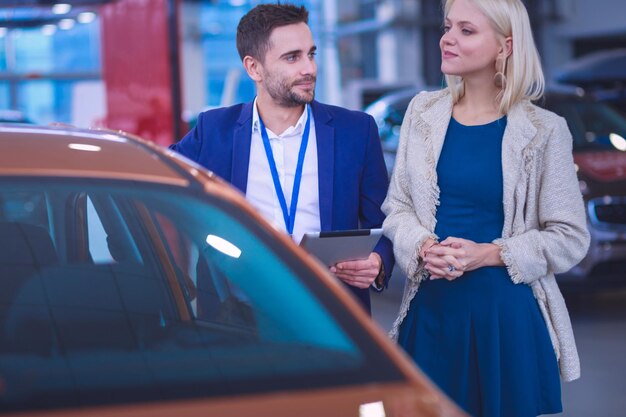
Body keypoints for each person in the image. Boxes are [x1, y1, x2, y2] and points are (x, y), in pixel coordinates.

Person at [382, 0, 590, 416]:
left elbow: (570, 237)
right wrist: (423, 246)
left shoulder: (545, 130)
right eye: (446, 27)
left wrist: (492, 253)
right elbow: (398, 207)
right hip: (432, 313)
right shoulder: (422, 114)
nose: (447, 38)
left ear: (505, 46)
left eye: (466, 30)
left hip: (506, 319)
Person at [169, 3, 393, 313]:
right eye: (292, 57)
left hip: (331, 314)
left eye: (311, 54)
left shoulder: (355, 131)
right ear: (253, 68)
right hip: (236, 314)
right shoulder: (214, 131)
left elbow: (386, 221)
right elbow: (155, 180)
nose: (309, 69)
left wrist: (378, 261)